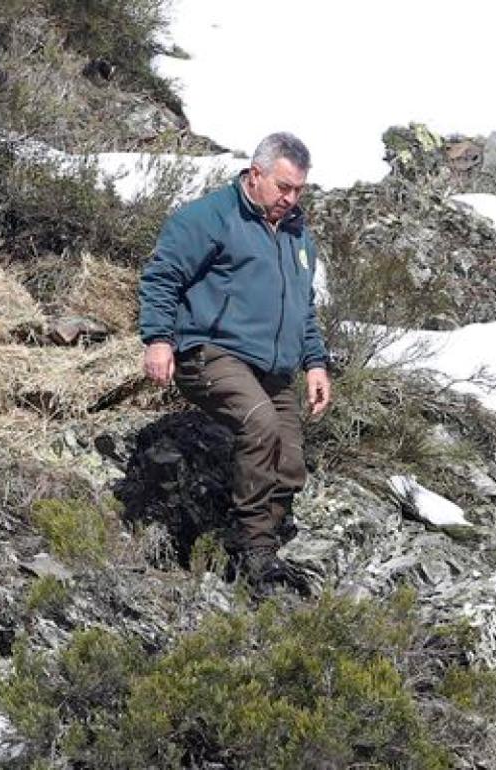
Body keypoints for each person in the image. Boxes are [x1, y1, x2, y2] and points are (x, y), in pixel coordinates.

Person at [137, 131, 331, 592]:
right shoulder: (210, 217)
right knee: (259, 423)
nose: (291, 198)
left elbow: (302, 307)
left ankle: (252, 543)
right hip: (209, 351)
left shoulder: (299, 235)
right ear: (255, 173)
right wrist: (159, 339)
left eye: (299, 190)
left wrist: (316, 363)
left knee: (290, 461)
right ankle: (254, 556)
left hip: (275, 366)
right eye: (283, 187)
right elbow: (163, 275)